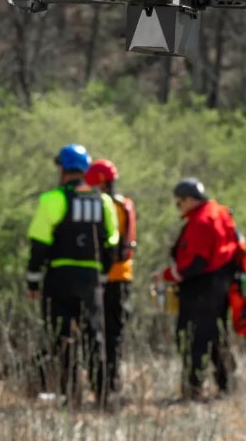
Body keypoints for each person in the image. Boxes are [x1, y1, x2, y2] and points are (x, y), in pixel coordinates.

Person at [26, 144, 119, 407]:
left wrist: (32, 279)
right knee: (94, 335)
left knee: (61, 335)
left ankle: (71, 394)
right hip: (91, 278)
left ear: (63, 169)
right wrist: (102, 276)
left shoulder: (52, 199)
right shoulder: (104, 201)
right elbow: (112, 243)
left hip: (59, 276)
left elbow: (39, 244)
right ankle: (102, 395)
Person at [151, 177, 240, 400]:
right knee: (217, 336)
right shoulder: (220, 212)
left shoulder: (202, 220)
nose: (178, 208)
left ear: (190, 199)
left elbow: (195, 263)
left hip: (202, 286)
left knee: (192, 338)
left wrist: (166, 276)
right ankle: (227, 385)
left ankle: (192, 391)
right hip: (221, 282)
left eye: (179, 203)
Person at [84, 158, 136, 395]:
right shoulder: (126, 204)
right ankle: (112, 382)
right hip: (123, 277)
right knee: (114, 333)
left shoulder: (102, 205)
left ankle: (101, 383)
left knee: (96, 332)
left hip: (100, 278)